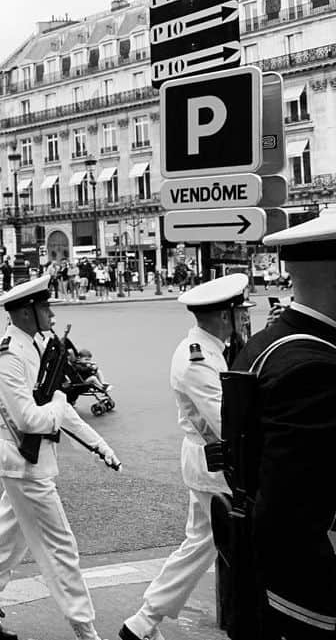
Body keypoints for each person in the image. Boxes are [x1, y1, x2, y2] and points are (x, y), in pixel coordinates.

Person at [0, 275, 121, 640]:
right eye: (45, 307)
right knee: (61, 548)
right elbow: (31, 418)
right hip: (24, 465)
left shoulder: (35, 345)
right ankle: (86, 629)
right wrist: (59, 400)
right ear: (27, 312)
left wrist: (99, 445)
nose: (52, 314)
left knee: (7, 543)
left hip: (28, 462)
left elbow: (59, 412)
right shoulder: (8, 356)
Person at [222, 216, 336, 639]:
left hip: (261, 587)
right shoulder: (314, 369)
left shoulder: (266, 344)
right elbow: (292, 519)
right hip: (304, 607)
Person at [119, 274, 250, 640]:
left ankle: (143, 622)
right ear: (224, 316)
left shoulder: (209, 350)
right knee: (210, 543)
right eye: (239, 313)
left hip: (209, 461)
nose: (242, 320)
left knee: (200, 543)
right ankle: (143, 622)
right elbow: (227, 420)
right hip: (212, 463)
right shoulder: (197, 359)